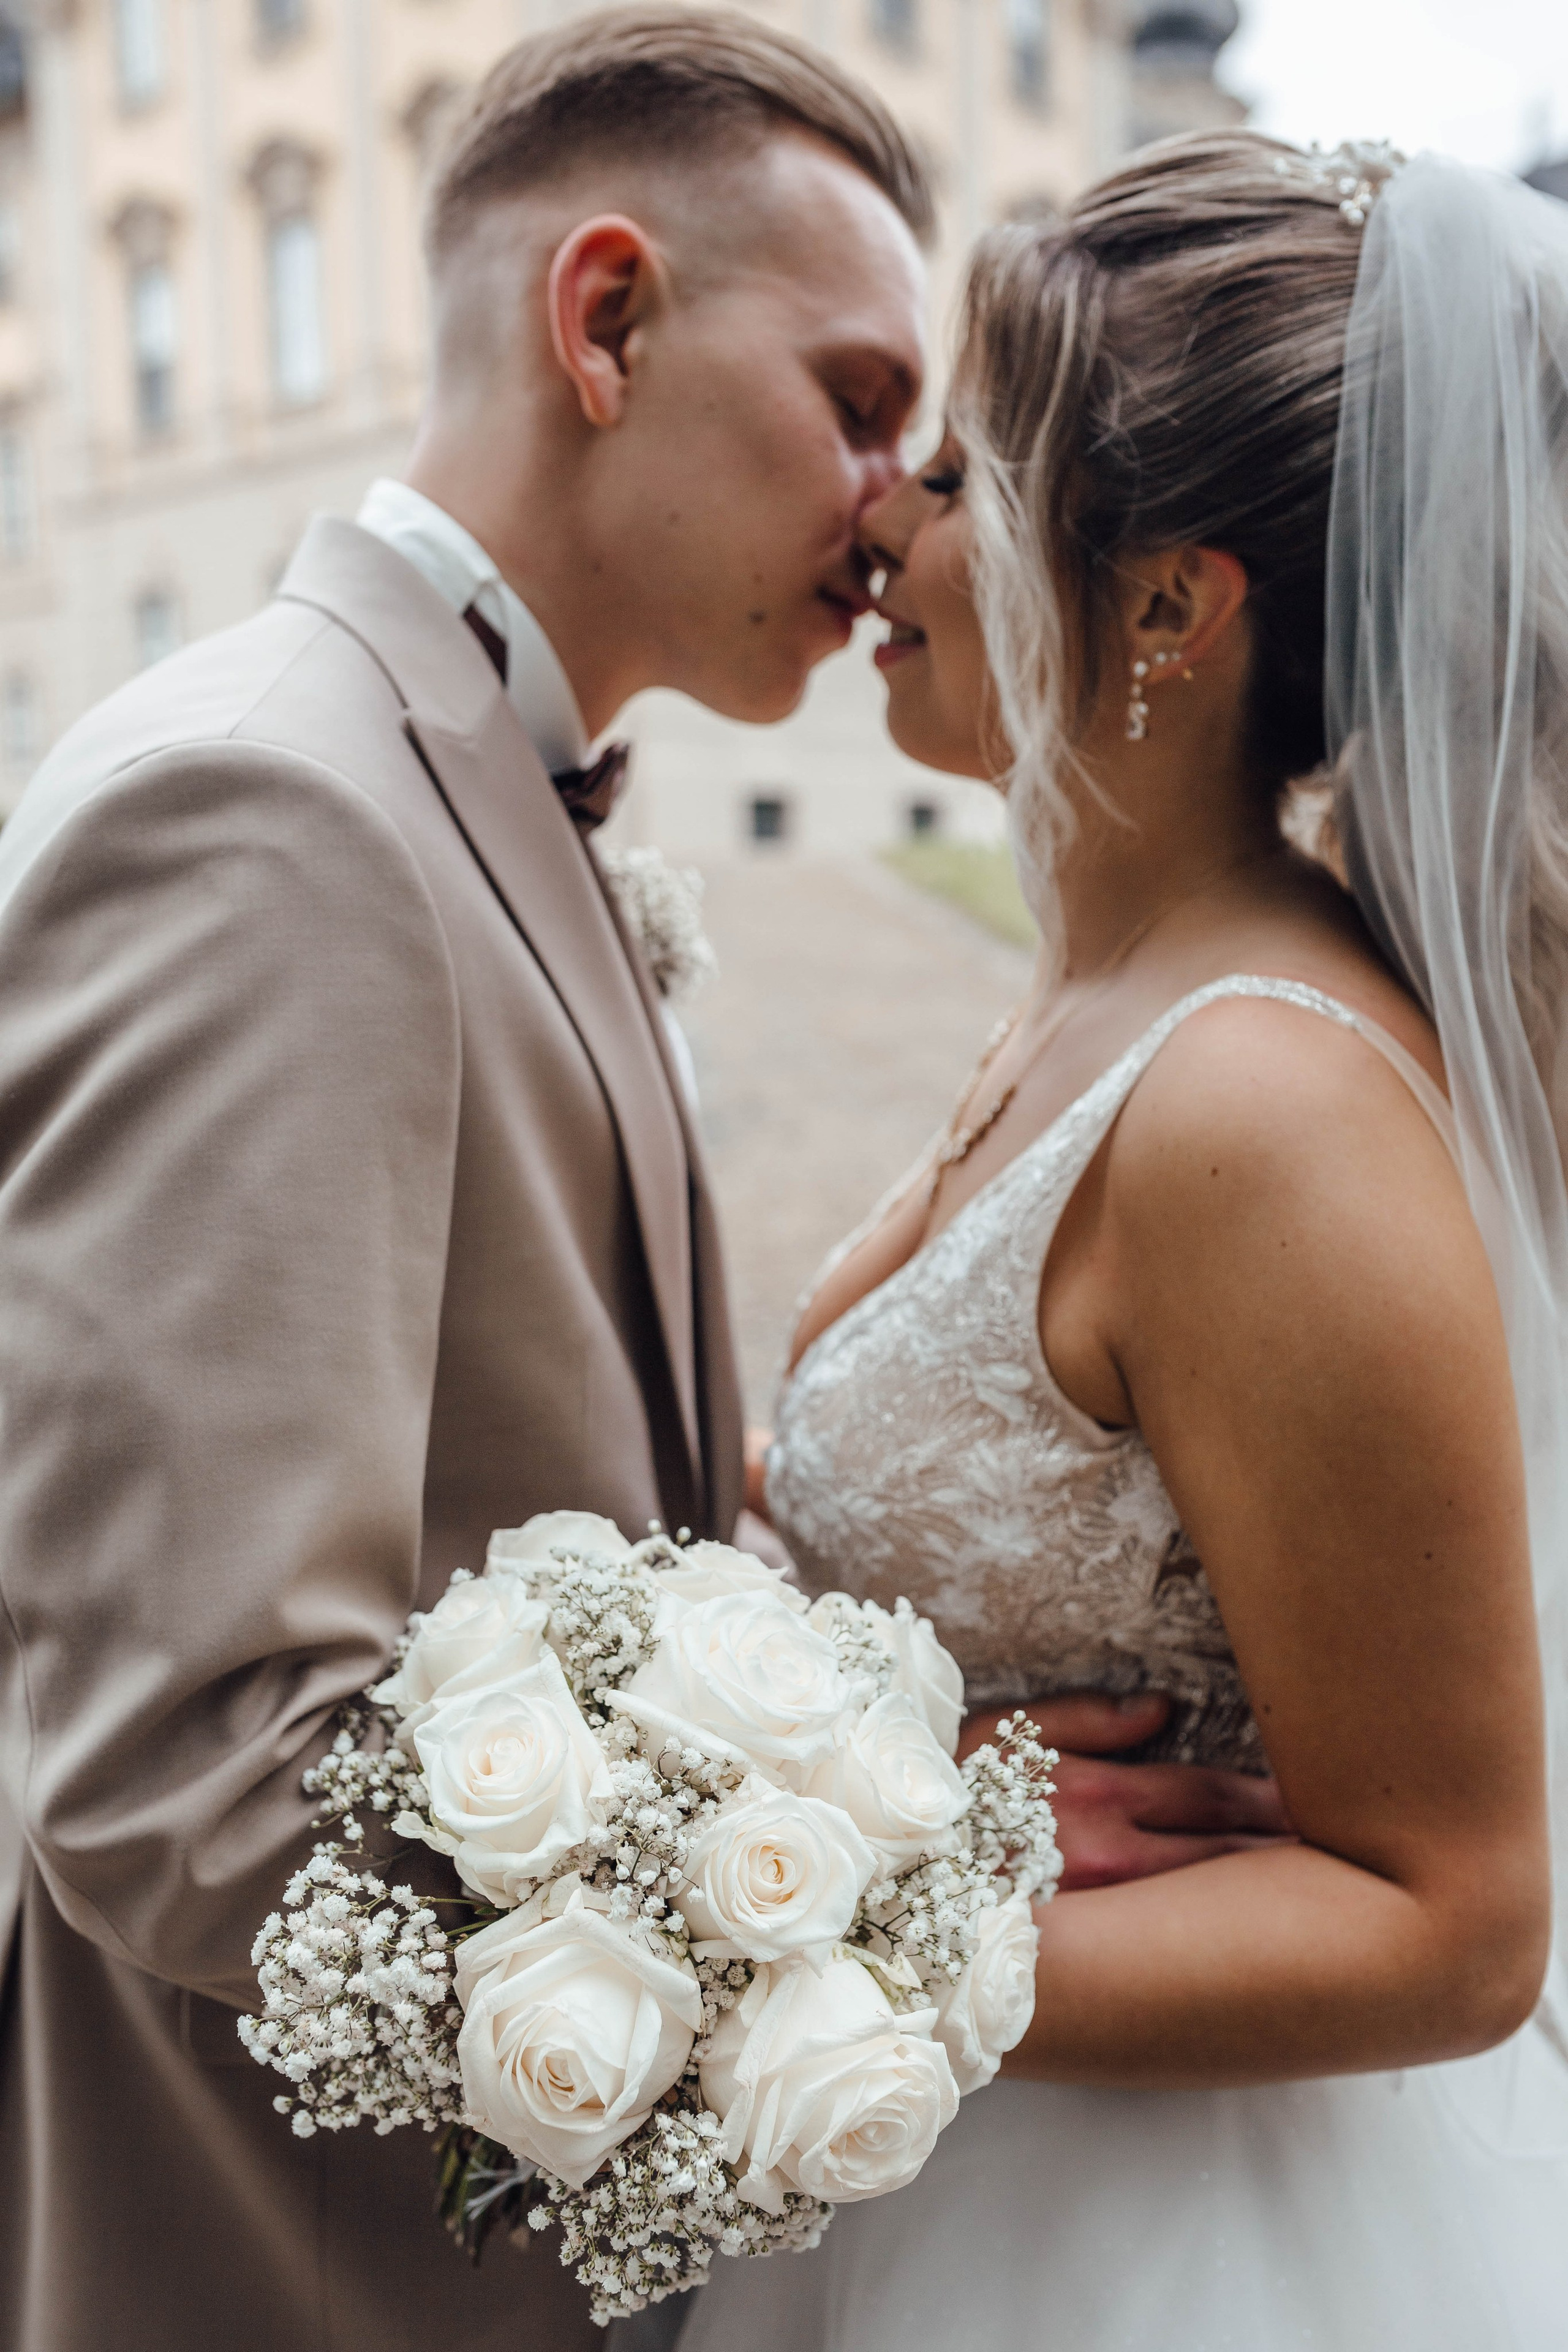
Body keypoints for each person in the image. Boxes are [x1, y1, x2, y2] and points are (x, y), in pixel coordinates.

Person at [0, 21, 1282, 2351]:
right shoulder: (273, 821)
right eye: (866, 399)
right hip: (312, 2275)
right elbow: (192, 1784)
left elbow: (546, 1498)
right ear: (603, 324)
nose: (901, 502)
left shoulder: (485, 786)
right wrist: (903, 1882)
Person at [681, 135, 1568, 2352]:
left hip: (1164, 2246)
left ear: (1169, 607)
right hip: (955, 2173)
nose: (883, 515)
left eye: (966, 476)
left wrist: (810, 1939)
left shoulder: (1261, 1109)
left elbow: (1459, 1923)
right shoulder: (1097, 1006)